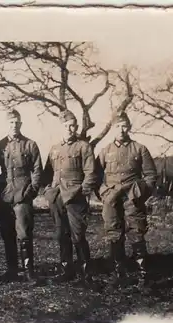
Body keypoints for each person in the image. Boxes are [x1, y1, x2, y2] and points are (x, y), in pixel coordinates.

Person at [94, 112, 158, 288]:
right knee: (114, 234)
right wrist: (104, 194)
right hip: (111, 199)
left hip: (133, 198)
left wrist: (139, 194)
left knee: (136, 233)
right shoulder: (105, 151)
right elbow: (95, 177)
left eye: (124, 126)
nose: (120, 130)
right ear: (112, 129)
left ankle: (143, 276)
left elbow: (151, 176)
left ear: (129, 127)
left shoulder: (139, 149)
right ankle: (118, 275)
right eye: (117, 126)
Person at [42, 110, 99, 288]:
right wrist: (48, 192)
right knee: (61, 234)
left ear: (76, 127)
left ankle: (85, 273)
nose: (69, 128)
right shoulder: (54, 149)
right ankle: (66, 270)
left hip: (75, 197)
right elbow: (47, 174)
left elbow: (91, 173)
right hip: (57, 197)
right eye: (66, 126)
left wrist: (83, 191)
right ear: (61, 127)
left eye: (72, 125)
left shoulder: (84, 147)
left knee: (78, 234)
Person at [0, 109, 43, 283]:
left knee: (24, 233)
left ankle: (29, 271)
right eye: (11, 122)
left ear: (21, 124)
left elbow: (37, 170)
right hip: (4, 196)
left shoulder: (30, 144)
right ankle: (12, 270)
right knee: (7, 233)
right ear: (6, 124)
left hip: (23, 194)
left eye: (17, 122)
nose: (14, 125)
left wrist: (31, 191)